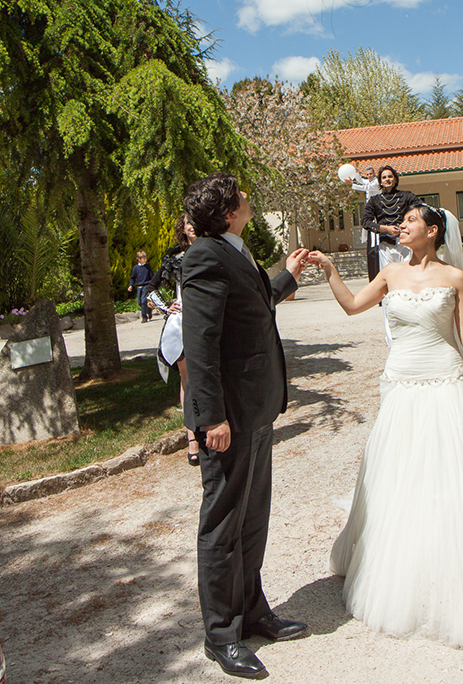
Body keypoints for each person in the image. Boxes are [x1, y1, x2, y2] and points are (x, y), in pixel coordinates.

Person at [307, 203, 463, 650]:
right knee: (403, 476)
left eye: (409, 222)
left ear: (432, 231)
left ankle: (462, 573)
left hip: (449, 384)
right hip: (402, 388)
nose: (400, 227)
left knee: (459, 477)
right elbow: (352, 306)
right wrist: (330, 268)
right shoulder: (390, 275)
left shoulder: (454, 278)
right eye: (401, 222)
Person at [181, 173, 311, 680]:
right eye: (238, 192)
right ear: (226, 208)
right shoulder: (205, 255)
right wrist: (210, 416)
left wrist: (286, 275)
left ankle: (252, 611)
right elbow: (201, 339)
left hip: (257, 410)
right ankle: (221, 635)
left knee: (253, 519)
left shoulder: (235, 250)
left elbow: (254, 309)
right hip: (227, 418)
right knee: (222, 526)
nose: (246, 195)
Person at [144, 214, 200, 465]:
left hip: (210, 323)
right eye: (187, 223)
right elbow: (150, 290)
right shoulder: (174, 257)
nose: (191, 226)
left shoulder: (215, 249)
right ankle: (192, 438)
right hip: (181, 325)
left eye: (195, 222)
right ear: (182, 228)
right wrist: (167, 306)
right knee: (187, 380)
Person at [361, 166, 418, 281]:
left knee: (408, 277)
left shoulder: (407, 196)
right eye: (384, 177)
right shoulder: (374, 200)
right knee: (390, 279)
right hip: (385, 247)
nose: (387, 179)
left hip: (404, 244)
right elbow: (365, 222)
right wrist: (385, 229)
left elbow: (422, 208)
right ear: (380, 181)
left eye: (390, 176)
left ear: (395, 179)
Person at [127, 249, 154, 322]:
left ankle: (144, 317)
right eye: (143, 259)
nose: (145, 260)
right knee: (140, 302)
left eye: (146, 258)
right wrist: (131, 285)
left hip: (146, 285)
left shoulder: (148, 267)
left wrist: (153, 284)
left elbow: (152, 276)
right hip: (139, 286)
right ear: (139, 259)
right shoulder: (136, 268)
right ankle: (149, 310)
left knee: (143, 300)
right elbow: (132, 278)